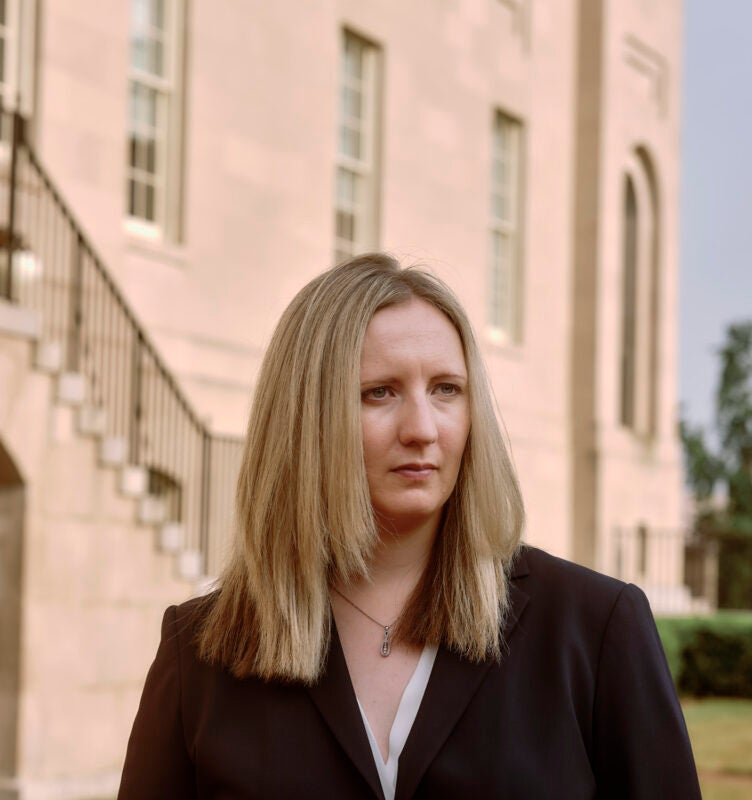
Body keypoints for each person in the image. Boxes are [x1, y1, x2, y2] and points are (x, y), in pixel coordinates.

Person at [118, 253, 701, 799]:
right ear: (305, 421)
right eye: (380, 393)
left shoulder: (594, 629)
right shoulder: (199, 655)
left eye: (446, 389)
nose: (422, 428)